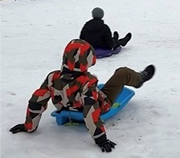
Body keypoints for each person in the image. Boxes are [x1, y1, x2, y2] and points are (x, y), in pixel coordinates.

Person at [9, 39, 155, 152]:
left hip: (65, 107)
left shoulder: (52, 77)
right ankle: (139, 79)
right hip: (97, 105)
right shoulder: (87, 82)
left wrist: (29, 126)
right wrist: (101, 139)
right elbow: (90, 110)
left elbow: (36, 100)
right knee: (122, 73)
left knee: (88, 90)